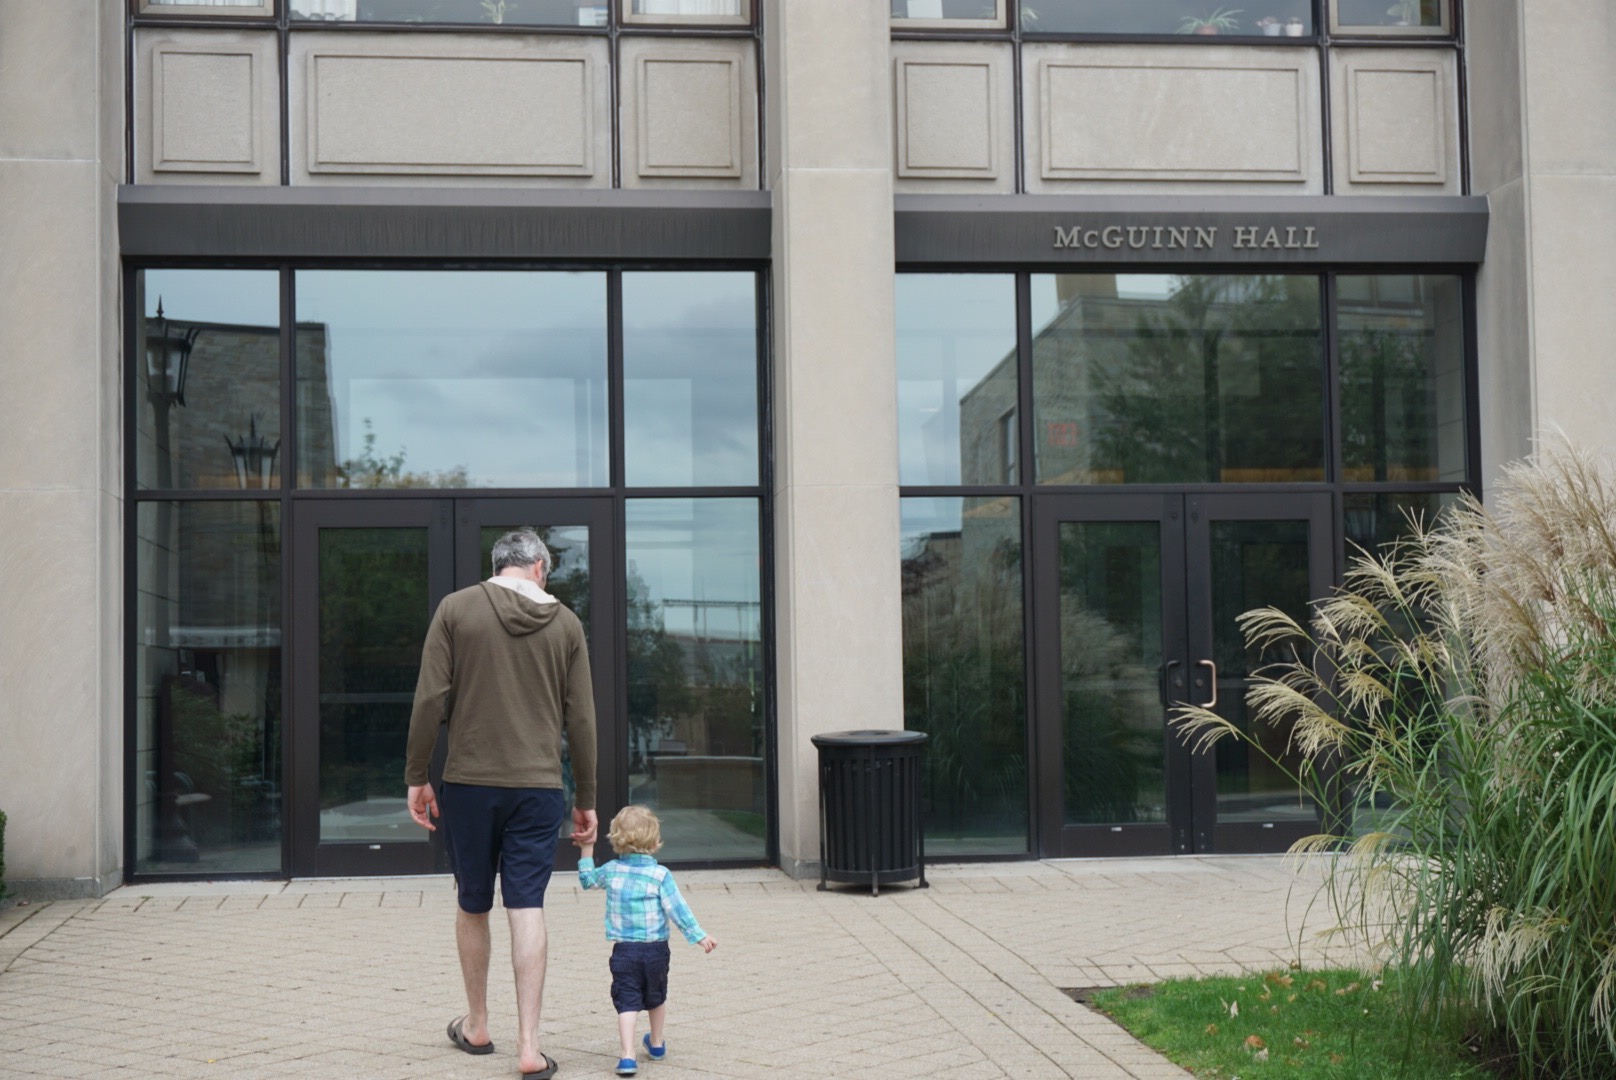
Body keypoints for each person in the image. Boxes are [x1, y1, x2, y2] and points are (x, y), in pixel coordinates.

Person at [405, 527, 598, 1080]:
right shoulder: (565, 623)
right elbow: (582, 718)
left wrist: (417, 774)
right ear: (538, 566)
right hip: (538, 787)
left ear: (499, 566)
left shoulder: (456, 609)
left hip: (467, 784)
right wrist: (587, 797)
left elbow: (429, 699)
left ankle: (479, 1025)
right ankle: (531, 1047)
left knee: (472, 903)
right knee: (527, 906)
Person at [576, 805, 717, 1077]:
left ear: (616, 839)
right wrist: (699, 936)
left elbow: (587, 881)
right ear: (654, 843)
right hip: (656, 951)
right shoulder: (660, 875)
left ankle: (627, 1057)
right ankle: (656, 1043)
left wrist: (586, 849)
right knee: (656, 995)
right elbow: (678, 909)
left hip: (624, 951)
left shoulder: (612, 870)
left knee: (627, 1001)